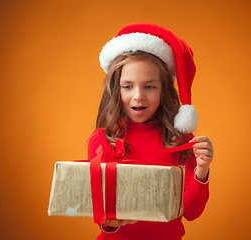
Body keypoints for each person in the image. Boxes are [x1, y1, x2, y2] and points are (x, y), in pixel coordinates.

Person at [88, 23, 214, 240]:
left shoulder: (180, 140)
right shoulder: (102, 139)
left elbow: (191, 212)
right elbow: (102, 215)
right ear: (116, 89)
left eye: (149, 86)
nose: (138, 96)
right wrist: (109, 222)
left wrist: (202, 170)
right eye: (128, 86)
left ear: (163, 89)